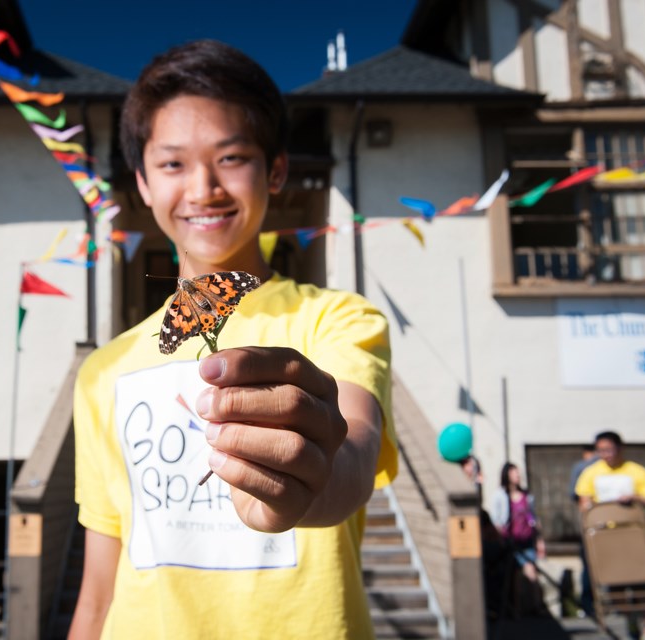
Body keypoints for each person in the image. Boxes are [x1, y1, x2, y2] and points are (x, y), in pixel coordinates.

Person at [67, 39, 397, 639]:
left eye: (231, 157)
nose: (203, 188)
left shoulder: (340, 322)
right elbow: (98, 586)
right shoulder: (102, 371)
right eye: (172, 164)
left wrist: (310, 481)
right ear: (141, 183)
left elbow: (355, 453)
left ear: (275, 170)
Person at [574, 431, 645, 637]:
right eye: (601, 451)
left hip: (634, 535)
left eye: (609, 449)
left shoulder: (635, 470)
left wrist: (634, 497)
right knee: (614, 584)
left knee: (643, 582)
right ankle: (629, 621)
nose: (605, 454)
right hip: (605, 538)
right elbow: (583, 502)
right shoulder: (591, 472)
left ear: (620, 448)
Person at [490, 462, 547, 617]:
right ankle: (516, 609)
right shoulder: (500, 495)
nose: (517, 475)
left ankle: (537, 606)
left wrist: (539, 540)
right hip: (509, 542)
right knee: (513, 576)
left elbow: (534, 519)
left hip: (526, 540)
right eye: (514, 473)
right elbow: (497, 520)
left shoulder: (526, 496)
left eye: (518, 473)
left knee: (531, 571)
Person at [568, 443, 598, 617]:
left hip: (591, 524)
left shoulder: (581, 467)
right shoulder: (592, 468)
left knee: (588, 565)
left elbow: (575, 495)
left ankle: (588, 605)